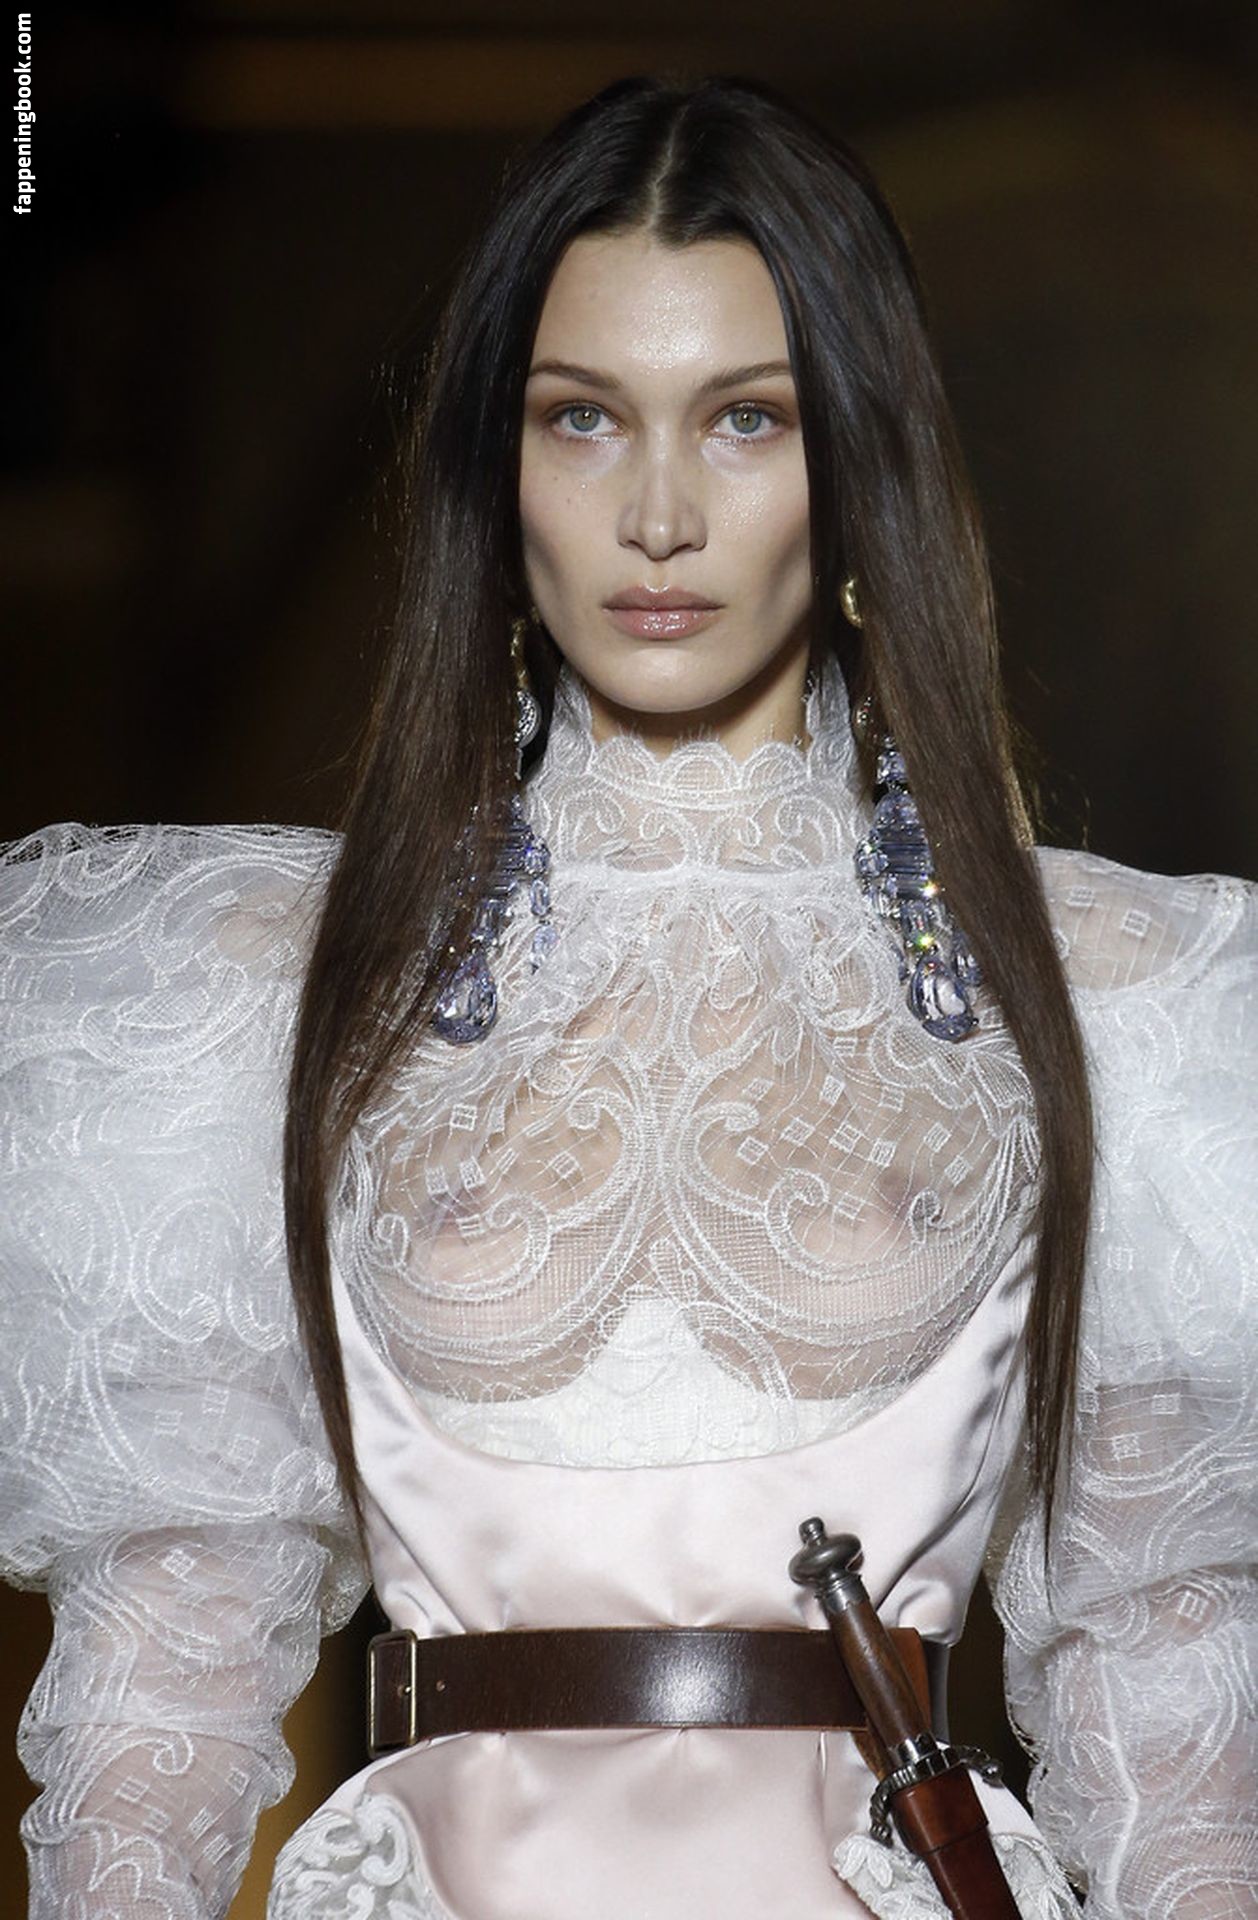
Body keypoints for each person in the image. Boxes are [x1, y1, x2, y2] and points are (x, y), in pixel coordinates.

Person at [0, 73, 1253, 1920]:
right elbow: (157, 1707)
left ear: (859, 468)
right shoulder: (253, 992)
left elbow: (1164, 1708)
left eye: (746, 419)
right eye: (581, 419)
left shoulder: (1112, 1001)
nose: (657, 513)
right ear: (494, 473)